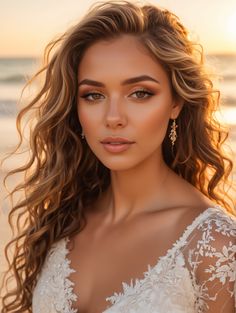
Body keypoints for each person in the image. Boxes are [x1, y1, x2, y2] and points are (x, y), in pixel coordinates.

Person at [1, 1, 236, 312]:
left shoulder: (215, 246)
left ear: (176, 103)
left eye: (140, 93)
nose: (113, 118)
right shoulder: (63, 221)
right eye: (93, 95)